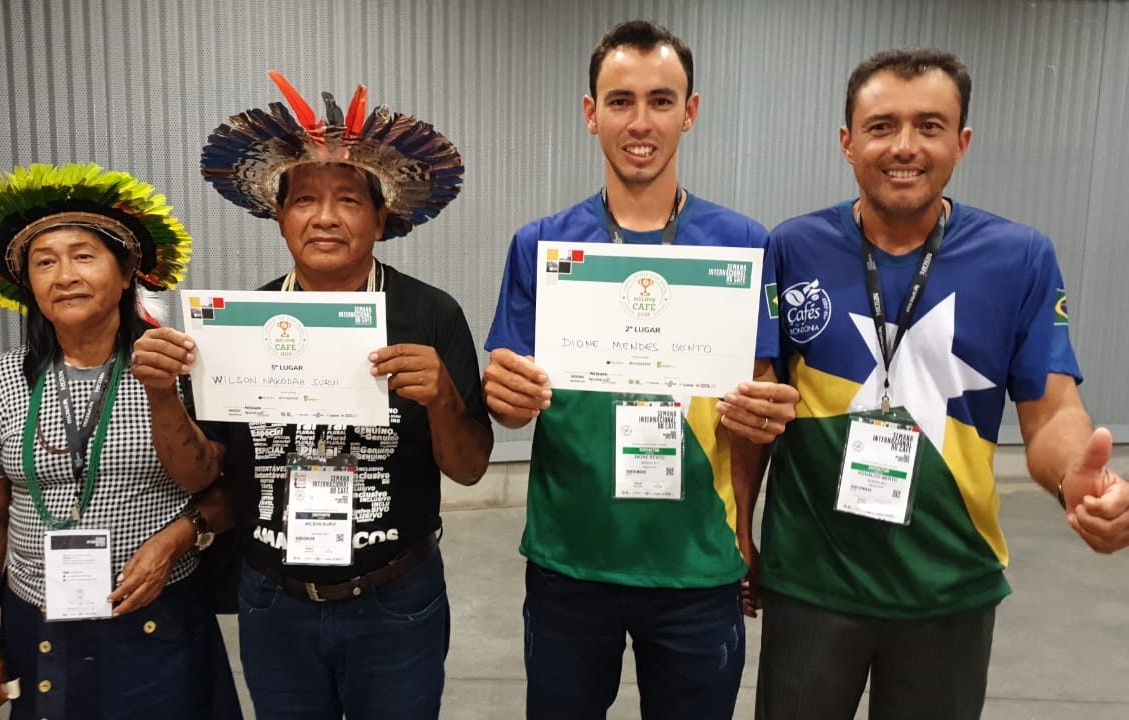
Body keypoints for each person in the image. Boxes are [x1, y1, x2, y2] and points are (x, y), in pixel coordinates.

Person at [754, 48, 1129, 720]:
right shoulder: (792, 248)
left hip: (949, 584)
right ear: (847, 142)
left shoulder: (1021, 258)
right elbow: (755, 404)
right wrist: (740, 529)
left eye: (929, 126)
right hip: (811, 584)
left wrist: (1077, 474)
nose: (904, 147)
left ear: (961, 142)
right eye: (881, 126)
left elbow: (1050, 413)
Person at [132, 72, 493, 719]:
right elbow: (199, 471)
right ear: (279, 216)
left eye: (349, 199)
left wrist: (442, 398)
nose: (325, 217)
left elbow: (469, 468)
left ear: (381, 217)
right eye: (304, 200)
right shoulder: (241, 324)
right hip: (275, 601)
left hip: (396, 596)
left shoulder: (430, 314)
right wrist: (162, 396)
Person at [482, 20, 799, 720]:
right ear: (591, 113)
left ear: (691, 111)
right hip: (571, 560)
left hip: (697, 562)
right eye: (620, 101)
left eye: (662, 100)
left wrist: (746, 528)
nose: (641, 121)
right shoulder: (541, 245)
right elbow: (509, 404)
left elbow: (753, 418)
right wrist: (505, 398)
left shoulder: (745, 244)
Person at [0, 163, 242, 718]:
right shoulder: (1, 381)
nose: (65, 276)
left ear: (127, 272)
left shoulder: (176, 367)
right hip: (39, 614)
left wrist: (174, 541)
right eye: (45, 262)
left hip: (160, 614)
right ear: (28, 284)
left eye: (84, 256)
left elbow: (223, 491)